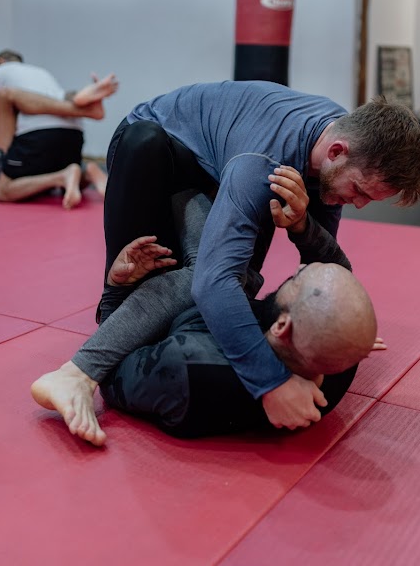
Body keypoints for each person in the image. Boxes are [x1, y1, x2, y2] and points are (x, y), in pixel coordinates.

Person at [94, 82, 420, 432]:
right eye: (358, 191)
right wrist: (271, 383)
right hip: (156, 145)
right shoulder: (264, 162)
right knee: (181, 274)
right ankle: (104, 325)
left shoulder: (340, 148)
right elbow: (212, 284)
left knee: (233, 283)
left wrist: (340, 325)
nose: (358, 204)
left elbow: (325, 270)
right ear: (336, 151)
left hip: (223, 159)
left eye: (369, 199)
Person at [31, 170, 384, 445]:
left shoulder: (185, 367)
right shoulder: (338, 363)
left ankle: (183, 170)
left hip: (175, 330)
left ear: (283, 327)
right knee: (230, 266)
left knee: (205, 269)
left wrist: (116, 288)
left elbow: (111, 376)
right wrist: (351, 328)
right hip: (234, 320)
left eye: (296, 279)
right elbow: (337, 298)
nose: (297, 270)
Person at [0, 49, 118, 208]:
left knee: (3, 190)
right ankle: (87, 173)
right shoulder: (42, 73)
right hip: (73, 136)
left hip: (40, 138)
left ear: (1, 62)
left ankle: (62, 177)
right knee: (51, 165)